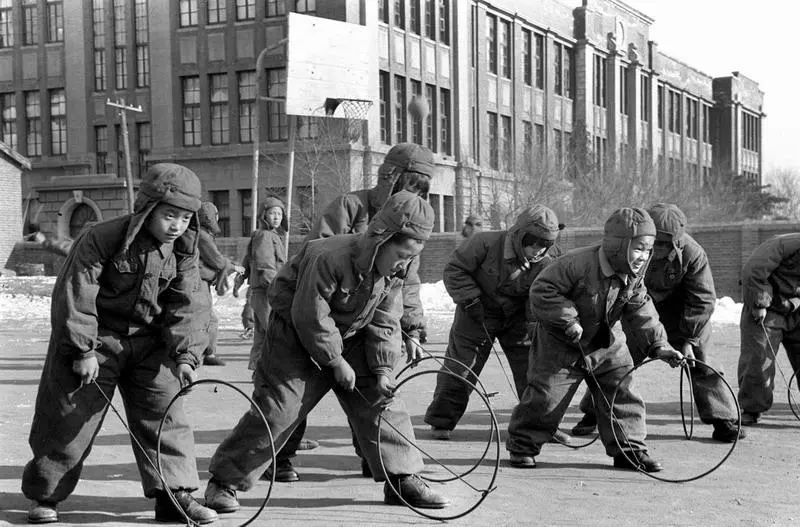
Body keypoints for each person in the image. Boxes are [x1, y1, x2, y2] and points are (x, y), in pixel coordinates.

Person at [203, 191, 450, 512]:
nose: (403, 264)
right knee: (280, 409)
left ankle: (401, 478)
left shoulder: (394, 270)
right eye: (401, 254)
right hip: (294, 331)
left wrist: (382, 370)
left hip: (350, 333)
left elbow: (386, 320)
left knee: (382, 398)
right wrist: (334, 361)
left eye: (410, 258)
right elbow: (310, 315)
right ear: (382, 239)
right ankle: (223, 482)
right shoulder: (329, 256)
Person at [21, 163, 218, 524]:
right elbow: (75, 294)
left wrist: (186, 357)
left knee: (166, 414)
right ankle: (45, 496)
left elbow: (189, 304)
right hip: (96, 338)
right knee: (69, 419)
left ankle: (174, 497)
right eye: (169, 215)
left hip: (149, 343)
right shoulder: (102, 237)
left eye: (186, 218)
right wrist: (82, 350)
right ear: (147, 209)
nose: (177, 226)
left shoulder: (185, 250)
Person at [272, 142, 436, 481]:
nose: (414, 193)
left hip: (363, 321)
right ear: (390, 177)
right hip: (312, 312)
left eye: (422, 188)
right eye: (410, 184)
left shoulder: (412, 228)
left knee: (372, 391)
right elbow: (318, 257)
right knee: (291, 395)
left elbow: (405, 281)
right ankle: (280, 456)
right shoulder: (350, 205)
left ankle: (380, 462)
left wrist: (413, 327)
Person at [506, 207, 684, 472]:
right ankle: (522, 445)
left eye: (648, 250)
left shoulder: (633, 276)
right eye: (638, 249)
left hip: (607, 342)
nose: (643, 256)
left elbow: (641, 309)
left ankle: (630, 450)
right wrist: (568, 320)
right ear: (618, 245)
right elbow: (542, 290)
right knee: (545, 398)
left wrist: (660, 345)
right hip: (561, 343)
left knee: (622, 392)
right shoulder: (575, 263)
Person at [571, 203, 743, 442]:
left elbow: (702, 300)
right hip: (641, 311)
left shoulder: (693, 254)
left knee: (702, 361)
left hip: (684, 316)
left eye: (665, 244)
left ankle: (724, 418)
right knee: (619, 363)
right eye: (655, 242)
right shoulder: (630, 249)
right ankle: (594, 413)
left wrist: (688, 339)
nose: (658, 249)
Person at [424, 205, 564, 441]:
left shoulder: (550, 259)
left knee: (533, 372)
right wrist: (470, 300)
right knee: (460, 368)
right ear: (519, 234)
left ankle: (540, 425)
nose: (538, 249)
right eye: (533, 242)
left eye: (545, 244)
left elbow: (544, 292)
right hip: (476, 313)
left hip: (519, 318)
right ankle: (441, 421)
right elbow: (455, 269)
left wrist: (533, 322)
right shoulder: (484, 243)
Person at [737, 232, 800, 425]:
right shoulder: (783, 245)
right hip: (767, 308)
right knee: (759, 357)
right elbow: (753, 271)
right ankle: (752, 408)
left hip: (796, 307)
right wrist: (759, 303)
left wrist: (795, 303)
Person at [244, 197, 288, 371]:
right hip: (267, 292)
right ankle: (272, 371)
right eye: (272, 213)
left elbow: (248, 261)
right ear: (264, 215)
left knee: (262, 335)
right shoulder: (265, 236)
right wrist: (280, 289)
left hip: (262, 293)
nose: (276, 217)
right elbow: (265, 266)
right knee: (274, 333)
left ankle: (258, 369)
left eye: (279, 213)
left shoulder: (266, 235)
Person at [197, 201, 243, 366]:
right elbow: (216, 260)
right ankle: (206, 353)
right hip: (198, 283)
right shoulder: (202, 236)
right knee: (209, 319)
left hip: (201, 282)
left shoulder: (202, 235)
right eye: (215, 215)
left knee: (204, 319)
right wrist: (233, 266)